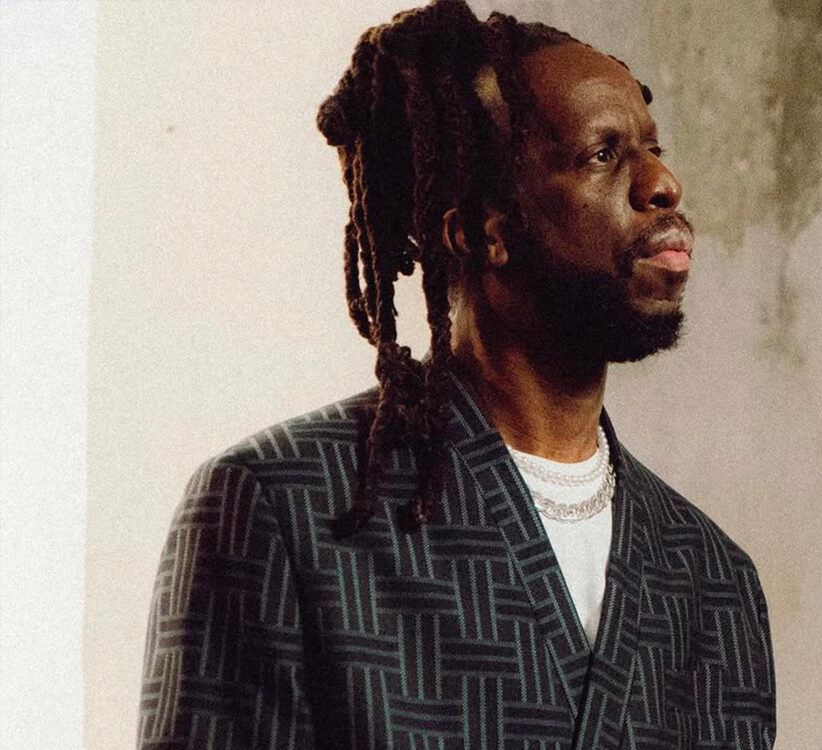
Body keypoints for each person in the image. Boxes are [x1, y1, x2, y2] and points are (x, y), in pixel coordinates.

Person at [136, 1, 776, 748]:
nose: (663, 183)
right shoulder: (284, 508)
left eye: (654, 148)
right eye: (603, 154)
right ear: (481, 232)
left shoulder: (713, 579)